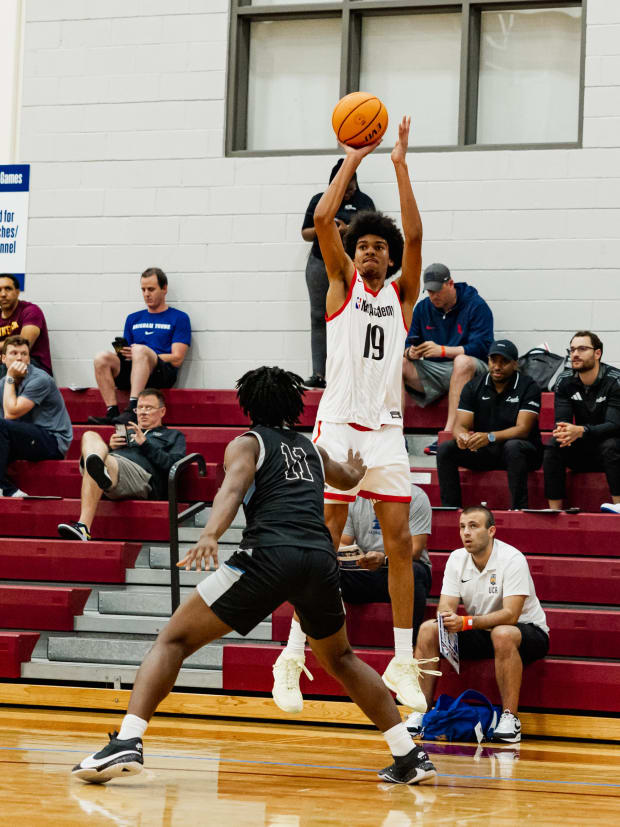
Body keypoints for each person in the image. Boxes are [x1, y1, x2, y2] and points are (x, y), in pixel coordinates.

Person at [72, 367, 438, 786]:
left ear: (248, 405)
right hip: (320, 560)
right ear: (293, 404)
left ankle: (128, 741)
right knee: (341, 658)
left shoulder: (247, 443)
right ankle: (408, 756)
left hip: (270, 555)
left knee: (173, 640)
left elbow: (232, 488)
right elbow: (347, 477)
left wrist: (210, 534)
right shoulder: (310, 448)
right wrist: (357, 466)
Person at [310, 117, 436, 712]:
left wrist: (401, 166)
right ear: (352, 255)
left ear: (389, 259)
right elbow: (320, 223)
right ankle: (296, 651)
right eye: (362, 246)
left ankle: (403, 660)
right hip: (336, 424)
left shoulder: (402, 296)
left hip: (386, 429)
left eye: (377, 248)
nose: (369, 253)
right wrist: (352, 159)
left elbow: (415, 235)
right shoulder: (340, 284)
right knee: (326, 538)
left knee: (401, 546)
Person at [272, 484, 433, 714]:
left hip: (398, 567)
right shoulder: (353, 495)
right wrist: (352, 554)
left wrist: (383, 558)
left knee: (413, 569)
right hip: (365, 568)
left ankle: (408, 658)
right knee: (321, 567)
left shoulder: (415, 496)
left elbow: (415, 548)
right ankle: (292, 653)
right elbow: (343, 539)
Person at [409, 506, 549, 743]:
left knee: (503, 633)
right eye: (462, 527)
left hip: (527, 631)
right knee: (428, 629)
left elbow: (511, 615)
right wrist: (448, 620)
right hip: (481, 631)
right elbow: (446, 608)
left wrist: (465, 622)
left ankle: (509, 718)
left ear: (491, 530)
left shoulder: (512, 559)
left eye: (473, 526)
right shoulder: (456, 558)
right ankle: (421, 711)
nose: (466, 533)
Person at [58, 388, 186, 541]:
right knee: (89, 435)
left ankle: (99, 470)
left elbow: (172, 465)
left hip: (142, 477)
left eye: (149, 408)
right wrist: (111, 447)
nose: (143, 412)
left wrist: (145, 444)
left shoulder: (173, 436)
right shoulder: (127, 433)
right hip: (114, 464)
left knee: (101, 462)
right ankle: (99, 468)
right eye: (139, 408)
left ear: (162, 411)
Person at [436, 340, 543, 510]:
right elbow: (460, 425)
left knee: (513, 447)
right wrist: (462, 436)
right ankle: (451, 508)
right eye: (493, 361)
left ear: (515, 364)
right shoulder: (473, 386)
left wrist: (490, 437)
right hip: (486, 451)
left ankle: (518, 509)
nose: (497, 366)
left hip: (523, 452)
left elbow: (523, 430)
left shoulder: (528, 386)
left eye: (504, 362)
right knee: (445, 449)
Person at [402, 263, 493, 455]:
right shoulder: (422, 308)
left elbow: (483, 347)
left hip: (471, 372)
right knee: (399, 363)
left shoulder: (476, 305)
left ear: (450, 284)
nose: (433, 296)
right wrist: (411, 352)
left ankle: (449, 433)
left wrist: (443, 351)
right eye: (429, 291)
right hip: (435, 371)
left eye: (437, 290)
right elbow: (409, 342)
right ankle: (396, 434)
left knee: (462, 361)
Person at [301, 159, 375, 389]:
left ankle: (354, 372)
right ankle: (319, 373)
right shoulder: (319, 200)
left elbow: (373, 233)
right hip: (320, 262)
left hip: (352, 265)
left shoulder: (364, 202)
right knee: (318, 316)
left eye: (351, 190)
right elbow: (305, 232)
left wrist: (348, 230)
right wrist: (327, 228)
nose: (347, 195)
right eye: (343, 190)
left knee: (356, 316)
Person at [88, 268, 191, 426]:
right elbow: (127, 355)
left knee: (140, 350)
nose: (146, 294)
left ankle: (132, 409)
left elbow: (177, 358)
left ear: (164, 289)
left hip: (161, 372)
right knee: (101, 357)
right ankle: (112, 411)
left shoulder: (179, 317)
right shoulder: (133, 318)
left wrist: (146, 355)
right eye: (143, 290)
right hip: (135, 370)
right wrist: (125, 353)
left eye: (151, 289)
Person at [543, 330, 620, 514]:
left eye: (582, 349)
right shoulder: (564, 380)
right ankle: (555, 511)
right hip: (582, 448)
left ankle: (618, 506)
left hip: (611, 446)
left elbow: (614, 425)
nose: (575, 354)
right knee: (554, 444)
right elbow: (562, 422)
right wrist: (565, 432)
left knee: (611, 446)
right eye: (572, 349)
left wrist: (581, 431)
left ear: (597, 353)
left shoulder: (615, 380)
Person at [0, 336, 72, 497]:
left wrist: (11, 376)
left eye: (24, 354)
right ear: (3, 358)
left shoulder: (40, 379)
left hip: (52, 441)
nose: (20, 358)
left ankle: (5, 488)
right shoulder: (4, 383)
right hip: (25, 438)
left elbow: (11, 413)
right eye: (14, 353)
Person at [0, 273, 53, 376]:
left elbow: (22, 345)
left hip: (33, 365)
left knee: (9, 363)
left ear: (17, 292)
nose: (3, 294)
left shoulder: (30, 311)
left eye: (8, 289)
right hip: (5, 360)